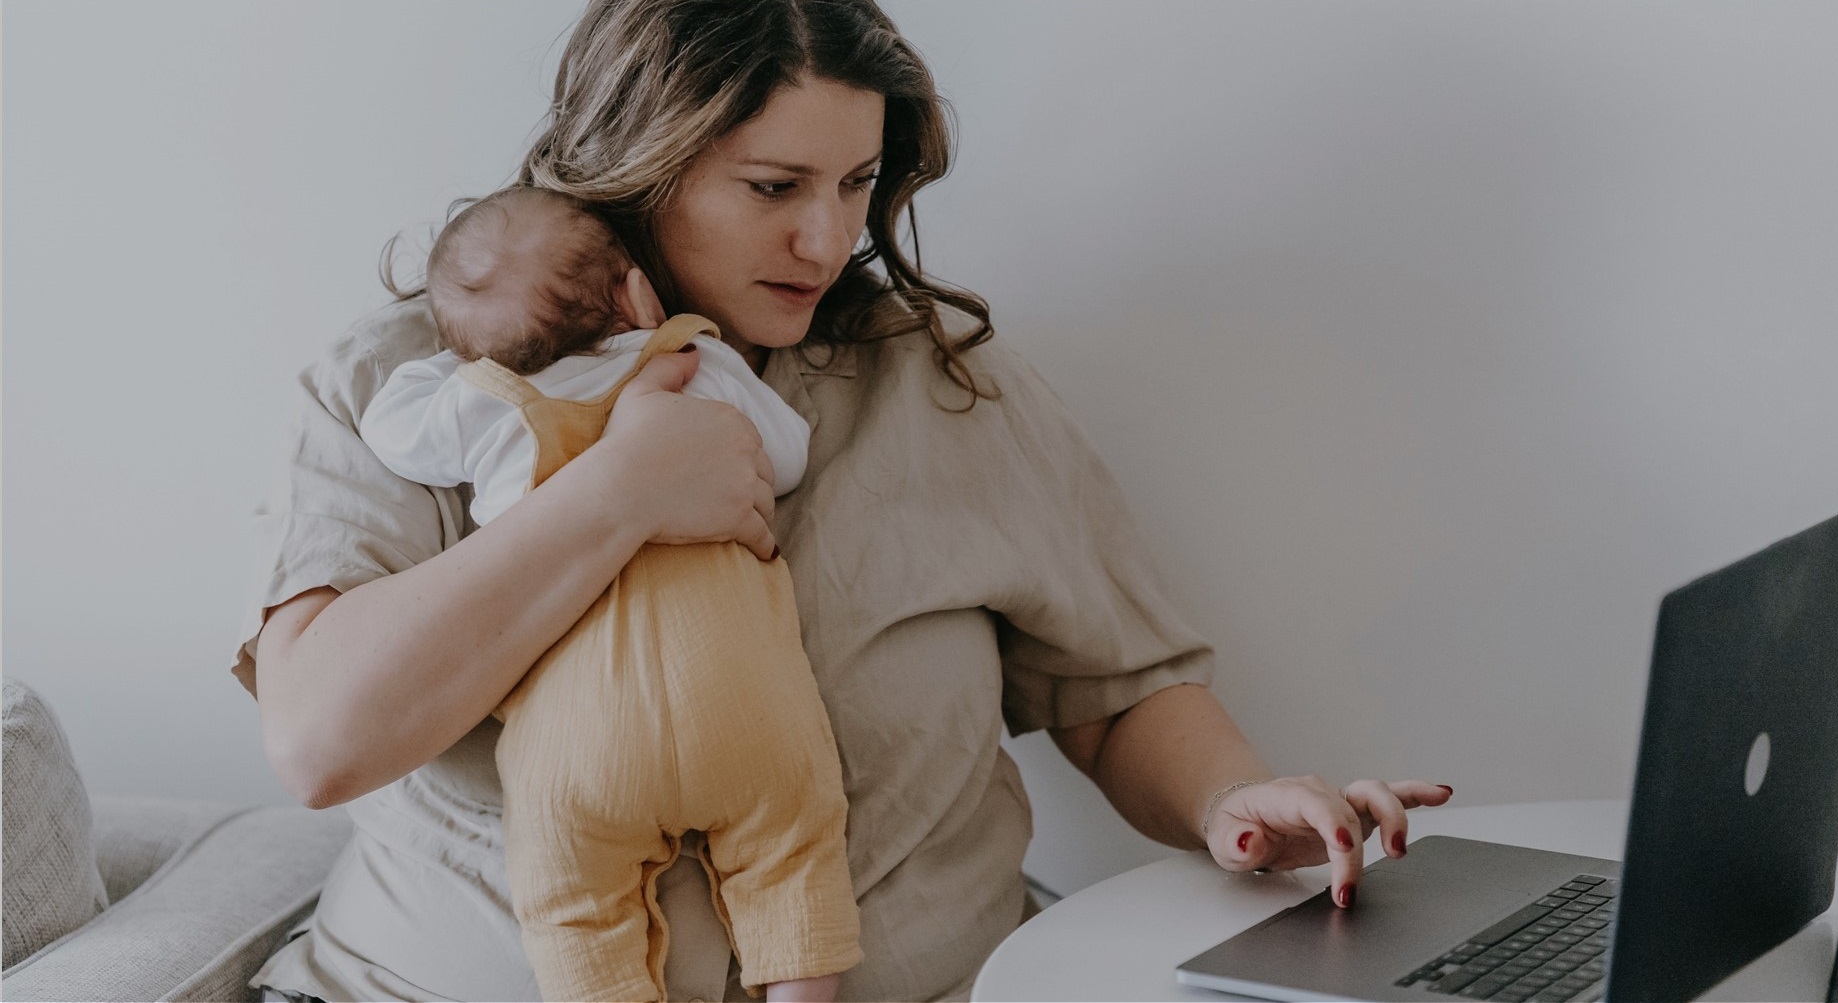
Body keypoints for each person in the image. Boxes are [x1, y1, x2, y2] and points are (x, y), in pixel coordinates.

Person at [236, 1, 1453, 1000]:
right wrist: (617, 493)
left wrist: (1228, 800)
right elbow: (322, 739)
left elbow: (1115, 687)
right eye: (774, 187)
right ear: (637, 167)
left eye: (857, 183)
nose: (826, 240)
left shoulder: (944, 387)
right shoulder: (410, 385)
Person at [357, 185, 858, 1002]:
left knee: (573, 907)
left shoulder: (489, 406)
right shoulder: (692, 361)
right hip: (739, 700)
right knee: (795, 851)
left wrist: (470, 357)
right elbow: (788, 453)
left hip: (580, 740)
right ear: (636, 291)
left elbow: (391, 425)